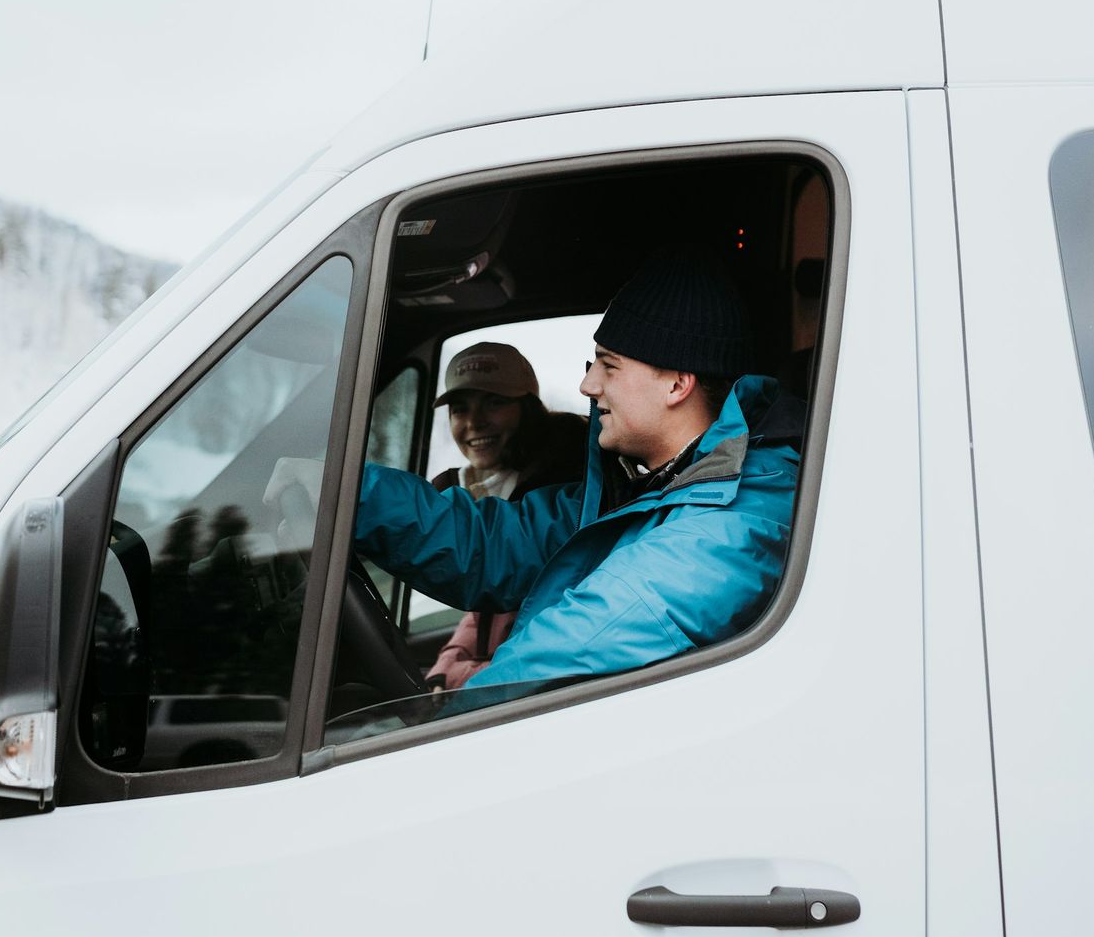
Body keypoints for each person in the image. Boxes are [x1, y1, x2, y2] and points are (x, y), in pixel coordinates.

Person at [341, 249, 804, 695]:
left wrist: (441, 729)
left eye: (609, 365)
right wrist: (347, 495)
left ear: (677, 384)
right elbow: (492, 545)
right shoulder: (644, 492)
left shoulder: (733, 523)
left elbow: (557, 658)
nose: (588, 384)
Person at [423, 342, 587, 689]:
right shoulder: (474, 489)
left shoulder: (562, 497)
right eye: (459, 409)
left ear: (529, 408)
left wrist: (457, 677)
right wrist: (447, 662)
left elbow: (542, 660)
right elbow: (483, 611)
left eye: (494, 403)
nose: (473, 422)